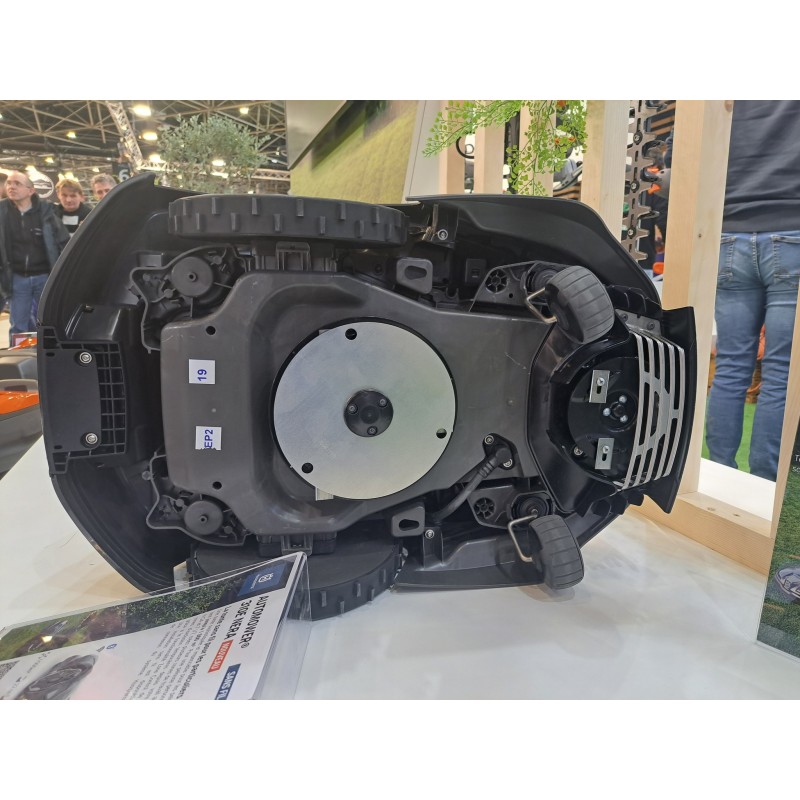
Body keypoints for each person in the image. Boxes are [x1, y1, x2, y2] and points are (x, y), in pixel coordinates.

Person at [692, 101, 800, 481]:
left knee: (731, 366)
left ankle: (720, 477)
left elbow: (685, 153)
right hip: (792, 229)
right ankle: (764, 484)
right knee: (782, 372)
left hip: (728, 233)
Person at [0, 171, 69, 343]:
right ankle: (22, 356)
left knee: (50, 321)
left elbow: (63, 241)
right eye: (9, 183)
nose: (11, 187)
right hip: (17, 278)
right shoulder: (2, 211)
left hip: (45, 277)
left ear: (30, 190)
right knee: (19, 325)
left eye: (17, 183)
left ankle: (52, 353)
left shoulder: (46, 211)